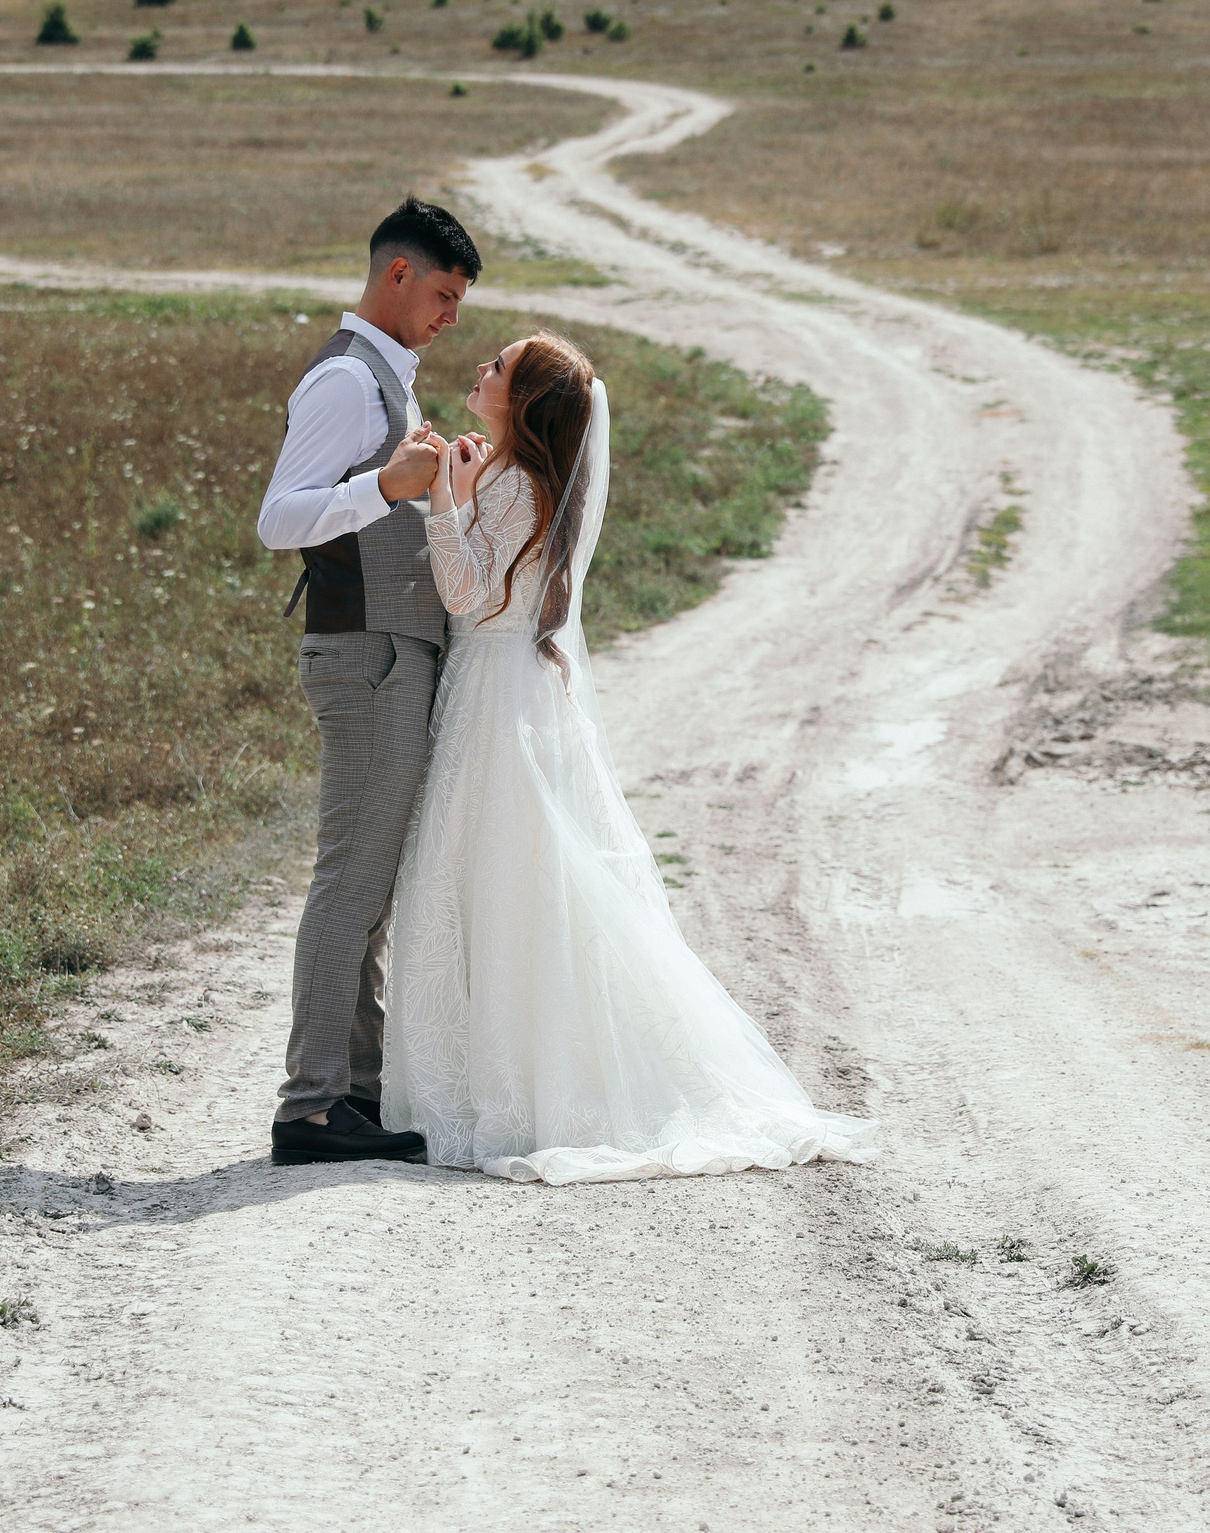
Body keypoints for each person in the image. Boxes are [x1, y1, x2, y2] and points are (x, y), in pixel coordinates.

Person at [380, 331, 880, 1184]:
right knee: (486, 881)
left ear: (524, 402)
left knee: (511, 883)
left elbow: (467, 594)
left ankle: (523, 1089)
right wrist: (463, 487)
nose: (480, 369)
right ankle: (470, 1079)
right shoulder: (506, 474)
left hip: (500, 702)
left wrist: (445, 500)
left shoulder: (525, 488)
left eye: (496, 367)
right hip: (491, 691)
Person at [255, 198, 478, 1166]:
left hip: (393, 652)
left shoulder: (390, 381)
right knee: (351, 884)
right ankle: (309, 1108)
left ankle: (352, 1094)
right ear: (395, 276)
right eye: (441, 293)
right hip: (367, 656)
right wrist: (383, 490)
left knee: (366, 888)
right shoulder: (348, 383)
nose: (451, 316)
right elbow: (277, 520)